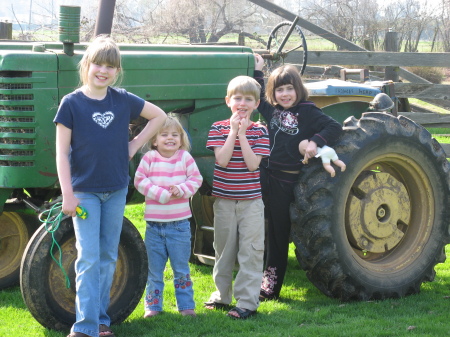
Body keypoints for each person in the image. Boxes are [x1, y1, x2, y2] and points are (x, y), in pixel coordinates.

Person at [54, 35, 167, 337]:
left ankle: (101, 320)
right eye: (97, 64)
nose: (103, 71)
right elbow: (62, 152)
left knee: (107, 257)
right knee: (88, 257)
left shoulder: (122, 99)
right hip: (84, 195)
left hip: (116, 191)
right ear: (86, 65)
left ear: (117, 71)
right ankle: (84, 327)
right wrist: (67, 193)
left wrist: (134, 145)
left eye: (110, 66)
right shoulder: (71, 104)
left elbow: (159, 117)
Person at [253, 54, 343, 301]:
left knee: (278, 235)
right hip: (266, 176)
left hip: (286, 181)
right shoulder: (272, 111)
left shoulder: (307, 110)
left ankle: (270, 288)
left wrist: (315, 141)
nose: (284, 94)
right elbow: (258, 97)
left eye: (289, 89)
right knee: (257, 227)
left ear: (298, 89)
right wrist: (258, 71)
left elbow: (334, 127)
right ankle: (249, 278)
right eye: (279, 90)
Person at [204, 75, 270, 319]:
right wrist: (233, 131)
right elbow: (222, 159)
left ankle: (247, 302)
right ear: (228, 101)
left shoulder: (260, 131)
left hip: (251, 203)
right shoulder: (218, 128)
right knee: (223, 250)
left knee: (250, 252)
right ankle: (222, 296)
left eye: (248, 99)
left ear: (256, 104)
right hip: (224, 201)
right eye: (238, 98)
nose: (242, 103)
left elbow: (253, 165)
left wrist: (243, 135)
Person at [134, 116, 203, 318]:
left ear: (181, 139)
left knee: (181, 269)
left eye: (175, 135)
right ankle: (153, 307)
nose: (170, 138)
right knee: (154, 271)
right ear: (154, 140)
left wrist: (181, 189)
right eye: (164, 135)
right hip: (154, 227)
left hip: (179, 225)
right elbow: (140, 181)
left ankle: (186, 306)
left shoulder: (184, 158)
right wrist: (160, 194)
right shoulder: (149, 158)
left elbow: (196, 179)